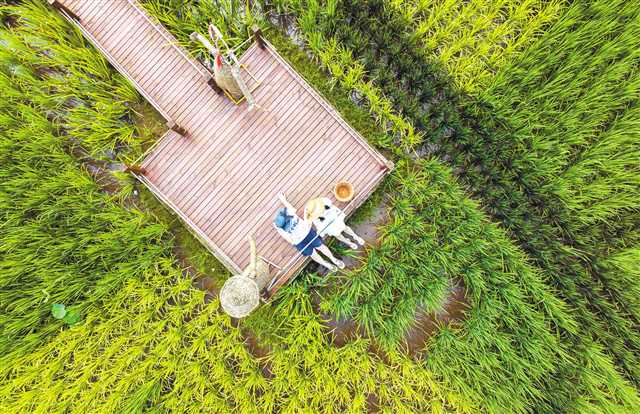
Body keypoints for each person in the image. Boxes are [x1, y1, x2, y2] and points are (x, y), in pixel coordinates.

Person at [273, 193, 345, 271]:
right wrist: (294, 242)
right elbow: (285, 236)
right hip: (298, 241)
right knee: (312, 254)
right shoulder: (277, 225)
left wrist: (283, 200)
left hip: (307, 232)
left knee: (320, 246)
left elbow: (290, 207)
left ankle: (333, 259)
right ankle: (327, 264)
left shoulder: (287, 211)